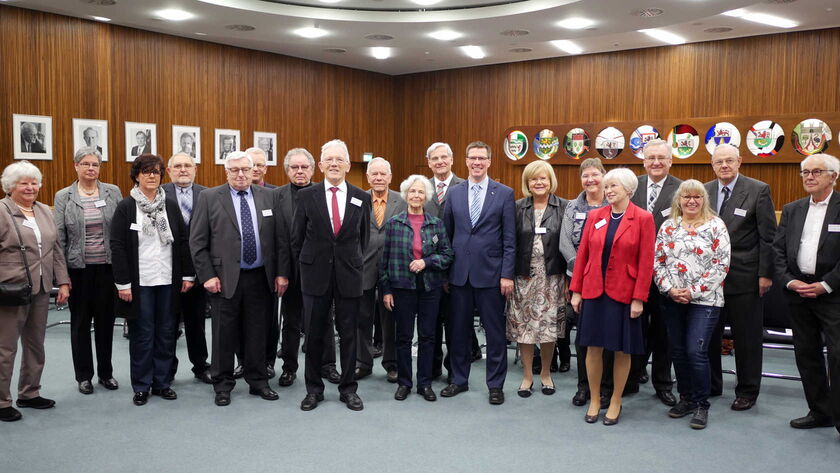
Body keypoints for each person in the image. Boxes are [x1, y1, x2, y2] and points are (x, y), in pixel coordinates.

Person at [190, 151, 288, 407]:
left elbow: (279, 240)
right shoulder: (210, 197)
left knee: (258, 331)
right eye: (235, 170)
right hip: (223, 278)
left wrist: (280, 272)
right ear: (227, 172)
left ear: (253, 170)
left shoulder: (269, 196)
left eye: (246, 169)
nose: (241, 174)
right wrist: (207, 276)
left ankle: (258, 381)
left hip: (260, 277)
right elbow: (197, 242)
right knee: (224, 333)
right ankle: (222, 384)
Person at [570, 168, 655, 425]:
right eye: (606, 187)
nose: (607, 191)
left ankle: (616, 399)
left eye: (613, 186)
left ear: (628, 189)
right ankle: (595, 399)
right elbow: (583, 254)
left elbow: (646, 261)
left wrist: (639, 298)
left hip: (624, 293)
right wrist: (576, 291)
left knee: (621, 351)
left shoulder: (643, 218)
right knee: (592, 348)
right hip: (594, 290)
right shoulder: (595, 215)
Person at [292, 139, 370, 412]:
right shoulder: (305, 196)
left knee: (349, 333)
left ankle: (348, 389)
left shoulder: (362, 197)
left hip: (349, 274)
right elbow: (297, 239)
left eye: (340, 159)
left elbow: (363, 238)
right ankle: (314, 390)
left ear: (348, 165)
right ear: (321, 165)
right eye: (330, 160)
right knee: (313, 334)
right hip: (315, 275)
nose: (335, 164)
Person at [110, 154, 194, 406]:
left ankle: (162, 381)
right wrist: (123, 283)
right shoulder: (126, 207)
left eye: (156, 172)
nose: (151, 176)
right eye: (146, 171)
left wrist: (188, 274)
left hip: (168, 278)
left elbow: (182, 241)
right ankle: (142, 385)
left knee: (167, 332)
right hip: (140, 282)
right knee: (143, 334)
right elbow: (118, 247)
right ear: (136, 176)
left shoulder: (169, 205)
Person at [442, 141, 515, 405]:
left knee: (495, 334)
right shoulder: (455, 193)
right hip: (459, 275)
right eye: (472, 158)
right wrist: (445, 274)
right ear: (465, 160)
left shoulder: (504, 193)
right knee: (458, 332)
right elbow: (446, 235)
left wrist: (507, 275)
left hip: (491, 276)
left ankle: (495, 385)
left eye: (481, 158)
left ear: (489, 161)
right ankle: (458, 380)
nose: (476, 163)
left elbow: (509, 239)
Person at [704, 143, 776, 411]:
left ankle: (747, 390)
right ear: (712, 165)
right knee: (709, 336)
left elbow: (769, 237)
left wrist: (765, 274)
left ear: (739, 162)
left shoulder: (757, 190)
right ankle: (711, 384)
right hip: (710, 280)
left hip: (745, 277)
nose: (724, 165)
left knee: (746, 339)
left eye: (729, 161)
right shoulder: (705, 191)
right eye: (719, 162)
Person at [654, 180, 731, 429]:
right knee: (677, 350)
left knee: (695, 351)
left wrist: (693, 291)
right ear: (679, 199)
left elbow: (721, 265)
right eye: (686, 196)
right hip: (673, 299)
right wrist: (670, 289)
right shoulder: (668, 227)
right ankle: (685, 398)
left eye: (697, 197)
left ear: (704, 200)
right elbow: (658, 262)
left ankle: (701, 405)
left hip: (705, 301)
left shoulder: (716, 226)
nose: (691, 201)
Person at [775, 153, 840, 436]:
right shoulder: (792, 209)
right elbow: (777, 251)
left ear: (833, 176)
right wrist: (789, 282)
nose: (809, 177)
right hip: (798, 292)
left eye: (816, 172)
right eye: (805, 172)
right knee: (806, 353)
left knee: (837, 357)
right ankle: (819, 411)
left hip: (833, 294)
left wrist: (826, 285)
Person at [0, 161, 70, 422]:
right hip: (10, 288)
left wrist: (62, 282)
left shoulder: (44, 210)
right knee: (5, 348)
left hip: (40, 288)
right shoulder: (2, 211)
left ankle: (29, 392)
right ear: (10, 186)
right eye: (23, 183)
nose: (30, 188)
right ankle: (1, 400)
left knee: (35, 344)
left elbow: (56, 250)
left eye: (34, 183)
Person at [54, 147, 123, 395]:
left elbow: (120, 232)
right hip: (78, 271)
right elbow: (59, 239)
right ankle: (84, 375)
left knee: (106, 322)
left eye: (95, 164)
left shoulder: (113, 192)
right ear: (76, 166)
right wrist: (62, 277)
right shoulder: (64, 196)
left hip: (107, 269)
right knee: (80, 323)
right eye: (85, 164)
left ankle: (106, 373)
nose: (90, 168)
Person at [380, 175, 453, 401]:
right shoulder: (394, 224)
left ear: (426, 196)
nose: (416, 196)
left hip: (429, 288)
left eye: (421, 192)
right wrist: (386, 290)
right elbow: (385, 260)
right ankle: (404, 383)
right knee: (402, 337)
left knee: (427, 336)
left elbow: (447, 254)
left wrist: (427, 262)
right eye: (412, 192)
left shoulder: (436, 224)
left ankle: (424, 383)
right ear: (405, 195)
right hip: (401, 287)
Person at [275, 148, 339, 388]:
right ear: (287, 170)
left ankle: (328, 365)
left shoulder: (326, 194)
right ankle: (289, 368)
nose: (299, 171)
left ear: (314, 169)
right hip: (290, 271)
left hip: (321, 270)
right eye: (294, 167)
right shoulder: (276, 196)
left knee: (324, 320)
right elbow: (278, 240)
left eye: (304, 167)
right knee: (290, 321)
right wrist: (281, 273)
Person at [507, 160, 568, 398]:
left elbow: (568, 244)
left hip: (552, 278)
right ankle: (527, 376)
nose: (539, 182)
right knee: (525, 329)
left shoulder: (564, 207)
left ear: (550, 180)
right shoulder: (517, 207)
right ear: (527, 183)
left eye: (543, 178)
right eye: (534, 179)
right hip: (523, 278)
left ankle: (545, 374)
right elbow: (509, 243)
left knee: (548, 329)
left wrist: (569, 279)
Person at [628, 139, 681, 405]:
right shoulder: (632, 186)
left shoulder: (681, 189)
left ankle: (662, 383)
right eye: (651, 158)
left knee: (664, 331)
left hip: (667, 274)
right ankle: (632, 376)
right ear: (644, 161)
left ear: (670, 161)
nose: (656, 162)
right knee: (634, 328)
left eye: (661, 158)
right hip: (634, 273)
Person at [423, 142, 481, 382]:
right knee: (430, 322)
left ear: (452, 159)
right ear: (429, 163)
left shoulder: (465, 187)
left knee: (457, 324)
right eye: (434, 158)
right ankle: (433, 367)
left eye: (444, 157)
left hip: (458, 269)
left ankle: (454, 370)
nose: (440, 162)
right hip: (427, 270)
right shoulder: (421, 187)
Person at [558, 157, 610, 407]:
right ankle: (584, 387)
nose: (590, 180)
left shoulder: (615, 203)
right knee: (584, 337)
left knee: (608, 337)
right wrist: (582, 271)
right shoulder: (573, 206)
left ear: (604, 175)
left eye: (595, 175)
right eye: (585, 176)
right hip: (579, 279)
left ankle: (605, 388)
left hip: (611, 281)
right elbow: (565, 242)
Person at [161, 152, 211, 384]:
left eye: (187, 166)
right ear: (169, 171)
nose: (183, 170)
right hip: (168, 271)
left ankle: (201, 365)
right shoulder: (159, 194)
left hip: (200, 271)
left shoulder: (208, 194)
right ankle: (167, 369)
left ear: (195, 169)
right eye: (178, 166)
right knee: (168, 323)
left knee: (197, 323)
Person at [356, 157, 406, 382]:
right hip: (362, 268)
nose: (378, 178)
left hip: (392, 270)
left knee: (391, 320)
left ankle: (391, 364)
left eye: (382, 174)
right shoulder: (357, 200)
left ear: (390, 177)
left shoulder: (402, 200)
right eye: (373, 174)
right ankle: (363, 363)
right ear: (368, 177)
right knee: (361, 319)